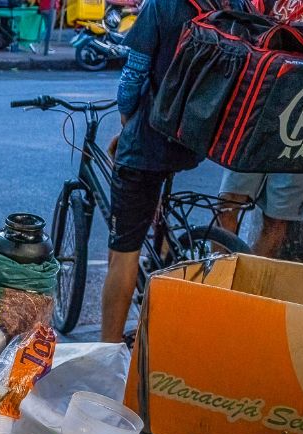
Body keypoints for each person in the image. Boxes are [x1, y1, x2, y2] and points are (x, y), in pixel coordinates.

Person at [98, 0, 220, 343]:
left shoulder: (163, 5)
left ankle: (107, 351)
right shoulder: (229, 3)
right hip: (192, 139)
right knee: (159, 211)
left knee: (123, 252)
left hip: (148, 141)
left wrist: (126, 118)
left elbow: (134, 76)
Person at [215, 0, 303, 258]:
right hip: (256, 116)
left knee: (277, 220)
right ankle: (220, 280)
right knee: (228, 205)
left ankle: (249, 287)